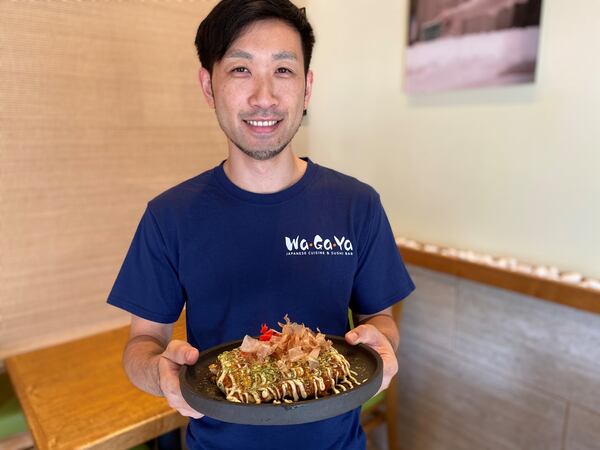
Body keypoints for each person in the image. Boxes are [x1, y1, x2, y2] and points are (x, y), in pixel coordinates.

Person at [107, 0, 415, 449]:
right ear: (208, 86)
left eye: (283, 71)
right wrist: (160, 374)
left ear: (307, 87)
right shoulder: (169, 215)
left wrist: (382, 342)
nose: (264, 97)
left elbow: (379, 319)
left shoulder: (357, 204)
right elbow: (141, 344)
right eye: (240, 70)